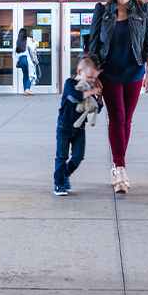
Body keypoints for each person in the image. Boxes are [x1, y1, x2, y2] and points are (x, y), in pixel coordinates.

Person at [85, 0, 148, 194]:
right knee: (117, 118)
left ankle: (117, 167)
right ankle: (121, 168)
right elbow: (93, 46)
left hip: (134, 73)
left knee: (127, 120)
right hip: (110, 73)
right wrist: (92, 76)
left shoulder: (144, 10)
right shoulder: (102, 10)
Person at [53, 53, 103, 196]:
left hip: (79, 129)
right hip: (64, 126)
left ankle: (66, 174)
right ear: (80, 72)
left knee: (78, 156)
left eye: (95, 78)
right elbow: (74, 98)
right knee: (62, 156)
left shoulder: (90, 89)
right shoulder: (70, 83)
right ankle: (59, 183)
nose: (93, 80)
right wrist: (91, 91)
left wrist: (99, 94)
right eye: (90, 77)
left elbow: (97, 109)